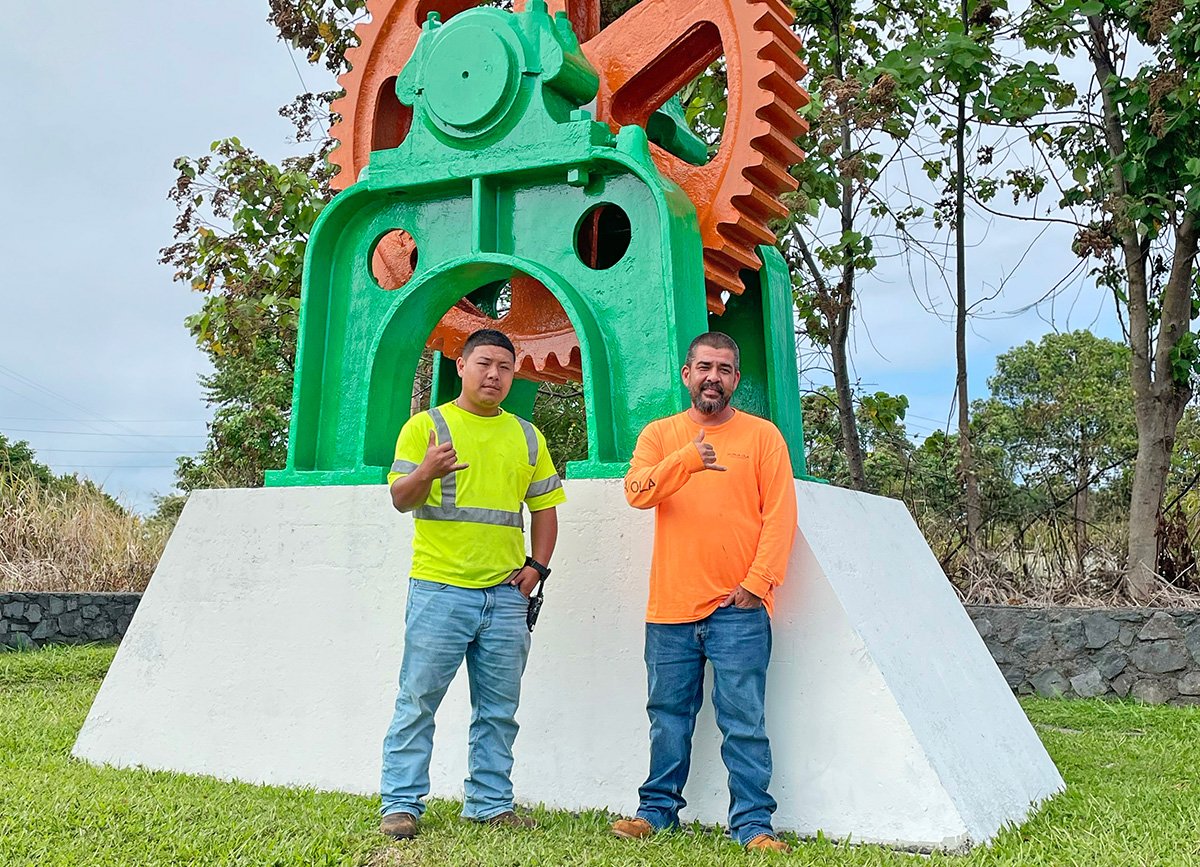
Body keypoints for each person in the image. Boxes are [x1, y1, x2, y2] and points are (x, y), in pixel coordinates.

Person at [611, 331, 798, 853]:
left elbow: (779, 517)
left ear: (736, 379)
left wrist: (755, 585)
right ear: (686, 375)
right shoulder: (660, 434)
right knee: (667, 716)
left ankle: (754, 825)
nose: (713, 376)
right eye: (704, 367)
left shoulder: (763, 438)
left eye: (724, 368)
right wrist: (687, 460)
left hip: (737, 608)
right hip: (669, 608)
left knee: (744, 721)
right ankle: (657, 813)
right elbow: (636, 493)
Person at [379, 328, 565, 840]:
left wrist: (538, 568)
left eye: (504, 368)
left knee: (499, 710)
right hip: (440, 589)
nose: (494, 375)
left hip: (506, 596)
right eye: (484, 363)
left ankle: (489, 804)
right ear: (461, 366)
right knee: (417, 700)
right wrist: (425, 472)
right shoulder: (427, 427)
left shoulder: (527, 435)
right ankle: (400, 805)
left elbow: (545, 509)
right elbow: (401, 499)